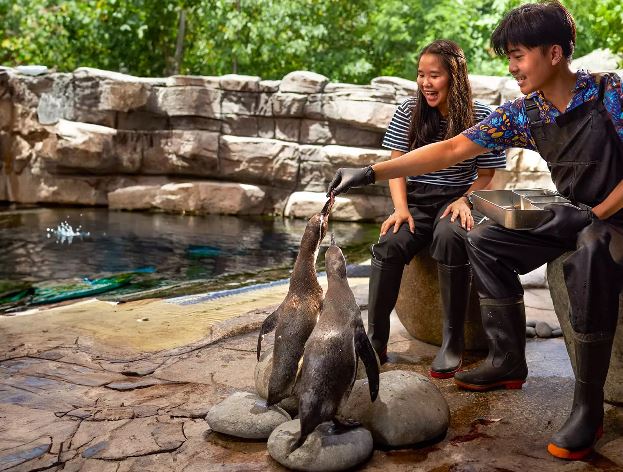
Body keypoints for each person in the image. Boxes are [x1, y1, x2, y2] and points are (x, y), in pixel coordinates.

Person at [326, 0, 623, 461]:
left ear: (554, 53)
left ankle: (588, 407)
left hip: (613, 219)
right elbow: (451, 149)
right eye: (509, 57)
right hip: (577, 213)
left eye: (518, 55)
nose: (512, 67)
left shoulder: (609, 94)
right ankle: (507, 360)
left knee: (589, 251)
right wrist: (370, 172)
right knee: (484, 239)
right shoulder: (524, 113)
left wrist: (597, 213)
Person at [368, 39, 505, 379]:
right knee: (389, 243)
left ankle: (452, 342)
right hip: (416, 200)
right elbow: (396, 168)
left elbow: (489, 175)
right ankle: (375, 340)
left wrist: (465, 199)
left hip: (458, 200)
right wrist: (401, 209)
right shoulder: (407, 112)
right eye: (420, 75)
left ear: (454, 77)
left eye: (434, 75)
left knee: (448, 237)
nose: (425, 83)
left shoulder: (482, 116)